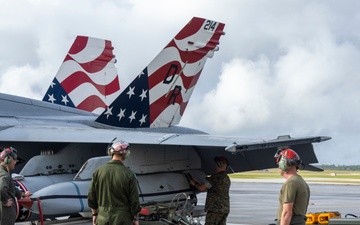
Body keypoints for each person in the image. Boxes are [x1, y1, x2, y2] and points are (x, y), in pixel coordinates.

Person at [88, 141, 141, 225]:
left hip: (102, 219)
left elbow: (91, 196)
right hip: (122, 219)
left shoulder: (98, 171)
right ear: (124, 153)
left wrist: (94, 214)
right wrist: (135, 219)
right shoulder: (129, 174)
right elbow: (135, 201)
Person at [189, 156, 231, 225]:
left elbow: (202, 188)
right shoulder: (226, 178)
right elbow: (209, 186)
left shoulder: (215, 177)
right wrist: (198, 182)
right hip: (224, 209)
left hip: (215, 209)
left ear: (219, 165)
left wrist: (194, 183)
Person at [275, 148, 310, 225]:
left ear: (285, 163)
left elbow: (287, 213)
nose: (278, 167)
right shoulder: (301, 181)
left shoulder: (290, 183)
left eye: (279, 162)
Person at [0, 147, 32, 225]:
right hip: (5, 211)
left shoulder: (3, 171)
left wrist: (22, 194)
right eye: (14, 160)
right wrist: (5, 201)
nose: (15, 162)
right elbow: (1, 188)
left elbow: (10, 187)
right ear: (8, 160)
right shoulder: (4, 175)